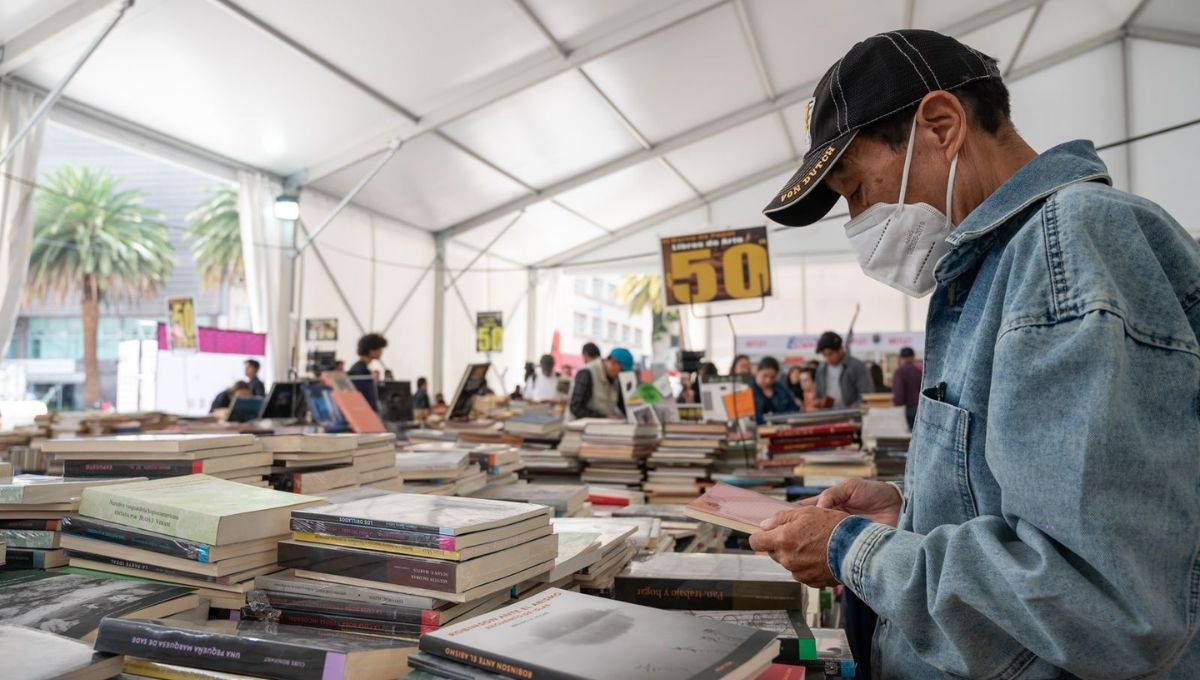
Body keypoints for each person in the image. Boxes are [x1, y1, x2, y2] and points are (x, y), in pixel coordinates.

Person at [748, 29, 1200, 679]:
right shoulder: (995, 268)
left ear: (941, 125)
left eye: (856, 190)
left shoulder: (1065, 248)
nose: (857, 223)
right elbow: (1028, 504)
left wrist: (858, 551)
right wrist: (907, 517)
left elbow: (1101, 599)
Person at [813, 331, 874, 408]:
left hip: (853, 416)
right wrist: (819, 403)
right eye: (824, 355)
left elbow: (867, 394)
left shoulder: (857, 367)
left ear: (841, 349)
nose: (827, 358)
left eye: (830, 354)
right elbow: (817, 396)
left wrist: (853, 408)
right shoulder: (821, 370)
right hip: (828, 416)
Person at [568, 347, 631, 420]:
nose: (621, 374)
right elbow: (576, 408)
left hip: (602, 427)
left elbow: (622, 405)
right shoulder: (587, 373)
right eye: (622, 370)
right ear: (613, 362)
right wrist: (604, 417)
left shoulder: (615, 379)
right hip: (579, 428)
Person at [750, 356, 799, 424]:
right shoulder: (747, 390)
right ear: (757, 372)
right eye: (765, 376)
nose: (768, 380)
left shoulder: (783, 391)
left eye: (772, 377)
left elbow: (793, 411)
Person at [891, 347, 922, 430]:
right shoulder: (919, 372)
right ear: (913, 357)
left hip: (905, 410)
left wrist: (897, 408)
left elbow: (898, 392)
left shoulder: (900, 372)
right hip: (918, 408)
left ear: (901, 358)